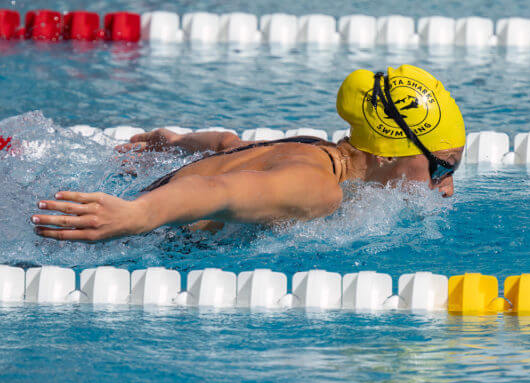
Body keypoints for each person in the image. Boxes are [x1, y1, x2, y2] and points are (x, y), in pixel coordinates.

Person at [31, 64, 465, 241]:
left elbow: (229, 145)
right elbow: (217, 190)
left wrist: (174, 142)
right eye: (443, 168)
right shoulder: (319, 188)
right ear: (390, 152)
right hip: (121, 232)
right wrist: (135, 216)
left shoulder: (312, 149)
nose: (445, 187)